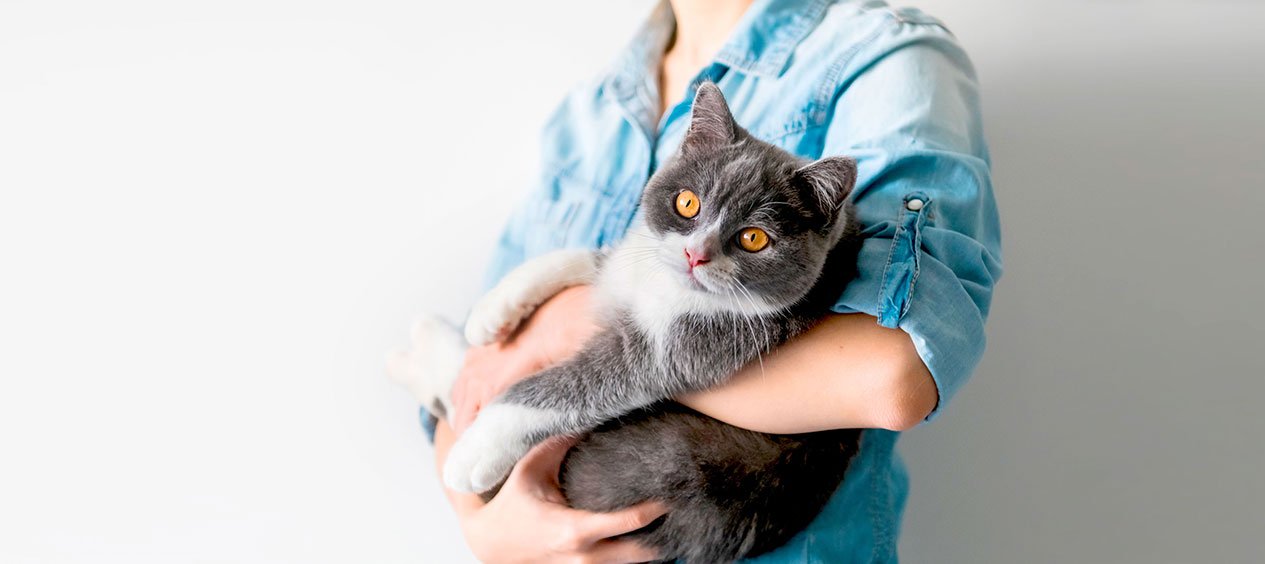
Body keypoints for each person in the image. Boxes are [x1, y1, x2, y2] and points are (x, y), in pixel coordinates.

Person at [426, 0, 1001, 561]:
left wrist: (558, 323)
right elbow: (484, 362)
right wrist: (481, 526)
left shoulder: (887, 56)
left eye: (749, 238)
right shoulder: (593, 111)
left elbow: (893, 377)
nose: (697, 256)